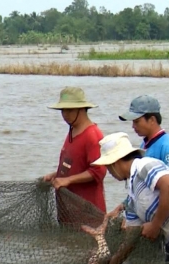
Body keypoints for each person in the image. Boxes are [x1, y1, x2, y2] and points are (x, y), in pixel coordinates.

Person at [90, 132, 169, 264]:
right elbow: (132, 235)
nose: (109, 172)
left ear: (115, 162)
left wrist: (155, 225)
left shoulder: (144, 165)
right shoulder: (132, 194)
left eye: (108, 166)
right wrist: (114, 261)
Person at [43, 86, 107, 227]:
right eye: (62, 110)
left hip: (88, 215)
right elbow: (74, 164)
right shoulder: (72, 130)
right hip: (68, 213)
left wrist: (68, 180)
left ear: (82, 109)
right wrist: (56, 174)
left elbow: (99, 171)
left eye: (69, 110)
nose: (65, 114)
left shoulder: (92, 135)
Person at [109, 95, 169, 220]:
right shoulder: (145, 144)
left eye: (136, 121)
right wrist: (123, 207)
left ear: (152, 120)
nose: (133, 126)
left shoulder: (167, 146)